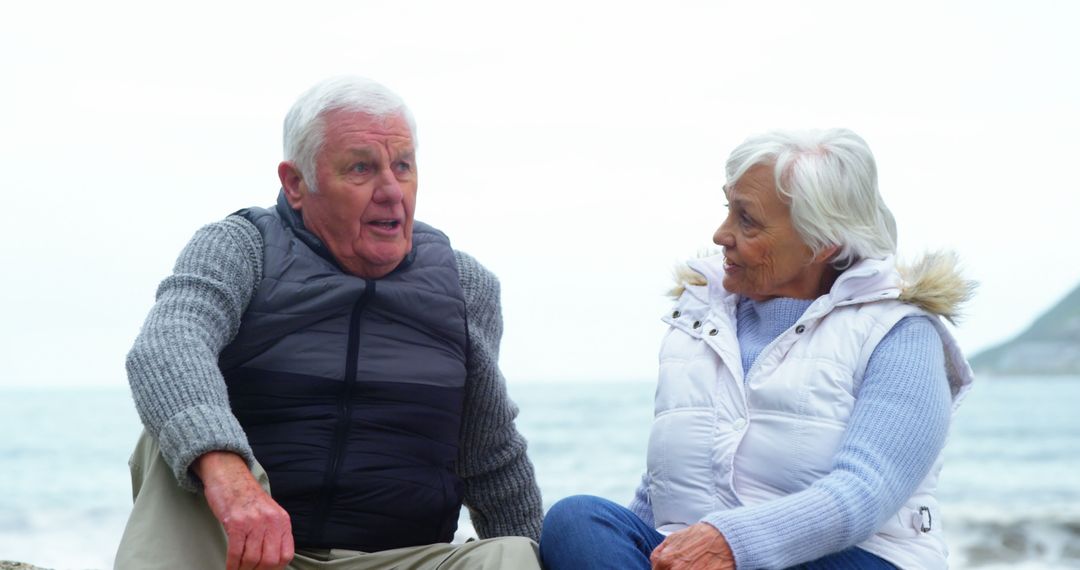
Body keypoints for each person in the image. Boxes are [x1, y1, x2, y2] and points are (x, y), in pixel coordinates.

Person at [114, 75, 543, 570]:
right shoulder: (240, 247)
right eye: (361, 168)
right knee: (173, 439)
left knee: (513, 555)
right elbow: (167, 346)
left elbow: (491, 460)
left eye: (402, 166)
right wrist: (230, 478)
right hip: (242, 552)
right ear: (296, 184)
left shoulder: (467, 286)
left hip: (397, 559)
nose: (390, 191)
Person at [539, 128, 975, 569]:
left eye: (746, 219)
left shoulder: (900, 334)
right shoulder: (697, 323)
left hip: (852, 558)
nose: (720, 234)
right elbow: (664, 489)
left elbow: (865, 492)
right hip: (701, 558)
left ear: (823, 241)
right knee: (578, 520)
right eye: (728, 209)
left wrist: (732, 543)